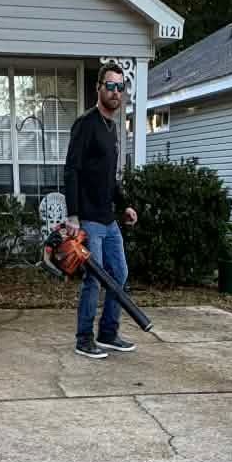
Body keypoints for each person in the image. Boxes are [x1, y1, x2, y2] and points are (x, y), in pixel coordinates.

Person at [63, 63, 139, 359]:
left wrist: (125, 204)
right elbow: (72, 170)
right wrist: (72, 216)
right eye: (110, 86)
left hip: (108, 219)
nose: (115, 92)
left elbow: (109, 177)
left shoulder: (112, 128)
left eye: (120, 87)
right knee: (93, 280)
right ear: (98, 88)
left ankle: (108, 333)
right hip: (89, 220)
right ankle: (84, 339)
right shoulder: (87, 124)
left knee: (119, 273)